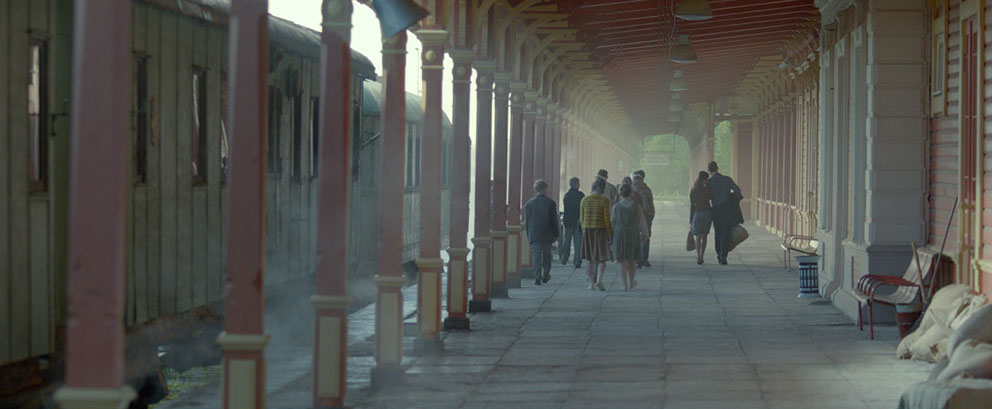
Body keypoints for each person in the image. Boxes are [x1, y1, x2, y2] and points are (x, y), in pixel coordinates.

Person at [611, 184, 649, 291]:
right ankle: (632, 282)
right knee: (632, 260)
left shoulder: (616, 206)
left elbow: (612, 221)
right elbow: (642, 222)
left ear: (620, 193)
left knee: (621, 260)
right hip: (633, 233)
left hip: (620, 234)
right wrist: (645, 235)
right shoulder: (637, 206)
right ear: (631, 193)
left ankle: (624, 285)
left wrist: (614, 232)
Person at [705, 161, 743, 265]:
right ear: (717, 168)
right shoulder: (727, 180)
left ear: (709, 170)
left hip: (716, 210)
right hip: (727, 209)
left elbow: (707, 197)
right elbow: (738, 191)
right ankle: (723, 255)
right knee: (726, 233)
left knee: (718, 232)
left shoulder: (709, 183)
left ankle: (719, 254)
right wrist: (734, 201)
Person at [525, 179, 559, 285]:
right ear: (544, 189)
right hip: (547, 233)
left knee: (536, 256)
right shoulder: (550, 203)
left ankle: (537, 277)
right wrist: (556, 234)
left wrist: (528, 235)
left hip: (534, 234)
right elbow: (554, 220)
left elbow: (527, 221)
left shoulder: (529, 203)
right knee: (547, 256)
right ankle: (545, 275)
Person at [580, 177, 612, 291]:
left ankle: (591, 284)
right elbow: (606, 219)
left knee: (589, 259)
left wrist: (584, 230)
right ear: (603, 188)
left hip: (588, 230)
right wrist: (610, 233)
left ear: (593, 186)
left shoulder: (585, 200)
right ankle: (599, 281)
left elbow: (582, 218)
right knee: (602, 258)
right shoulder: (605, 200)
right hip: (601, 231)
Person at [560, 177, 585, 268]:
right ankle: (577, 261)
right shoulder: (581, 195)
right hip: (578, 221)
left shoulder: (566, 195)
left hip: (568, 221)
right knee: (577, 242)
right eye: (578, 183)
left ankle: (564, 258)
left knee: (567, 241)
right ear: (576, 184)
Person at [689, 171, 713, 265]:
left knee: (698, 237)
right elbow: (711, 199)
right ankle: (702, 256)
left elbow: (692, 206)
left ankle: (698, 256)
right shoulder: (707, 190)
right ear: (704, 179)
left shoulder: (693, 190)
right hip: (707, 213)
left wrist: (691, 218)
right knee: (704, 236)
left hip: (697, 214)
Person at [632, 173, 655, 267]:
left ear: (642, 182)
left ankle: (644, 258)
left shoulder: (646, 191)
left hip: (645, 216)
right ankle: (639, 258)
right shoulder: (631, 191)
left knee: (645, 236)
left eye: (638, 183)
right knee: (637, 237)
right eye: (635, 183)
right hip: (635, 217)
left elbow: (651, 203)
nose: (636, 185)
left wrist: (651, 215)